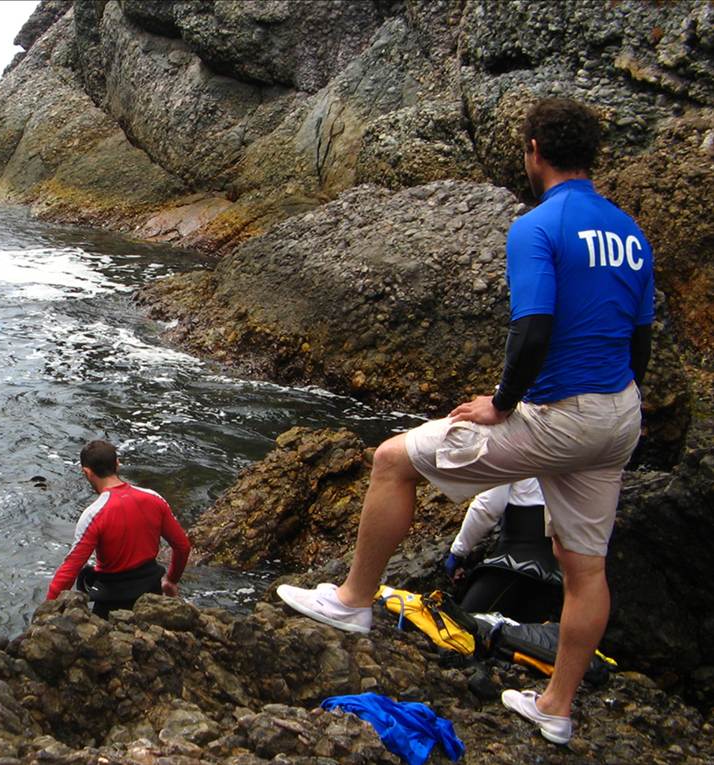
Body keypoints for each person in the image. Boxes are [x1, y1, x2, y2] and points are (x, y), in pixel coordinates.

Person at [275, 98, 653, 746]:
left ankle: (352, 601)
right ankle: (556, 706)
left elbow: (532, 330)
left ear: (533, 149)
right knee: (585, 567)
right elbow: (640, 342)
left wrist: (501, 405)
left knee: (392, 459)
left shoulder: (538, 226)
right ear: (592, 156)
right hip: (619, 413)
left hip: (560, 414)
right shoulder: (630, 233)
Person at [46, 440, 192, 617]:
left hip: (111, 603)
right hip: (152, 595)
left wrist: (47, 612)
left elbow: (70, 570)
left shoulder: (94, 514)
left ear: (87, 472)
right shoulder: (154, 498)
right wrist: (171, 581)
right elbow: (182, 546)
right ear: (117, 464)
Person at [446, 478, 562, 623]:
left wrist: (458, 553)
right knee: (521, 640)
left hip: (515, 565)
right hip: (556, 573)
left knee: (464, 629)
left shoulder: (516, 455)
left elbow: (486, 507)